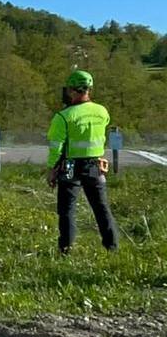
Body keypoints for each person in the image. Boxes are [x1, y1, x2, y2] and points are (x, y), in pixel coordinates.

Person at [46, 70, 119, 252]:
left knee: (67, 209)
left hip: (70, 165)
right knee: (101, 207)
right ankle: (112, 247)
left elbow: (56, 146)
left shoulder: (63, 116)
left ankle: (66, 249)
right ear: (89, 89)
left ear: (71, 90)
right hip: (95, 164)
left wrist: (52, 169)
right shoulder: (102, 111)